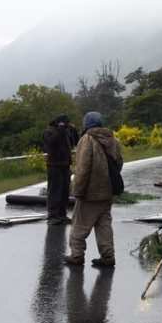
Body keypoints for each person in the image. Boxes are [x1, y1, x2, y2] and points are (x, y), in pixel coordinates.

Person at [65, 111, 123, 268]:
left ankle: (76, 255)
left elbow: (82, 168)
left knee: (79, 225)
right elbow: (119, 164)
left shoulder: (87, 139)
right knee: (104, 225)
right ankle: (108, 256)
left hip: (90, 192)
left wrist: (77, 190)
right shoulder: (113, 139)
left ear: (86, 124)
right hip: (108, 191)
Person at [43, 114, 76, 225]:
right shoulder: (49, 131)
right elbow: (51, 143)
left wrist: (72, 131)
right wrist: (61, 130)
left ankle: (62, 215)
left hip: (65, 165)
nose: (68, 125)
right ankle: (52, 216)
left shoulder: (66, 131)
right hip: (54, 165)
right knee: (54, 191)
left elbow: (73, 143)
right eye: (66, 123)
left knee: (64, 191)